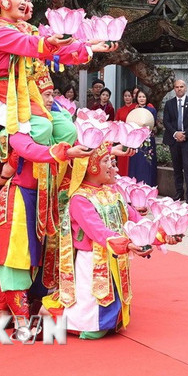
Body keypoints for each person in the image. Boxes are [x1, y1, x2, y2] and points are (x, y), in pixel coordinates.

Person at [41, 143, 150, 339]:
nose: (114, 166)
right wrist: (127, 244)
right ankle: (51, 314)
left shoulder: (113, 192)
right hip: (92, 260)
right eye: (107, 161)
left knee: (109, 312)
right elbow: (98, 232)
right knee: (91, 321)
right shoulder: (80, 199)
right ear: (90, 167)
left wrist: (161, 234)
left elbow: (135, 219)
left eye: (112, 160)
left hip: (114, 255)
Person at [162, 79, 188, 204]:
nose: (179, 89)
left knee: (187, 166)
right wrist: (175, 133)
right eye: (177, 87)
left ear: (186, 88)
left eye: (181, 86)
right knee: (177, 167)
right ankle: (179, 192)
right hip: (174, 139)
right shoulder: (169, 104)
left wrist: (185, 134)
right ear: (174, 89)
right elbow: (166, 121)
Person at [128, 90, 158, 186]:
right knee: (135, 162)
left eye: (143, 97)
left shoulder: (152, 110)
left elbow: (152, 124)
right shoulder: (133, 111)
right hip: (136, 139)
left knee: (147, 162)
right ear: (136, 98)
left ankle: (148, 184)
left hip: (147, 139)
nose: (141, 99)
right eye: (140, 97)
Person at [115, 89, 136, 176]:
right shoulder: (120, 110)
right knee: (123, 157)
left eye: (129, 96)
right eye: (125, 96)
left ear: (132, 97)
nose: (127, 98)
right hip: (123, 137)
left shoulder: (136, 108)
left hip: (134, 137)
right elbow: (116, 123)